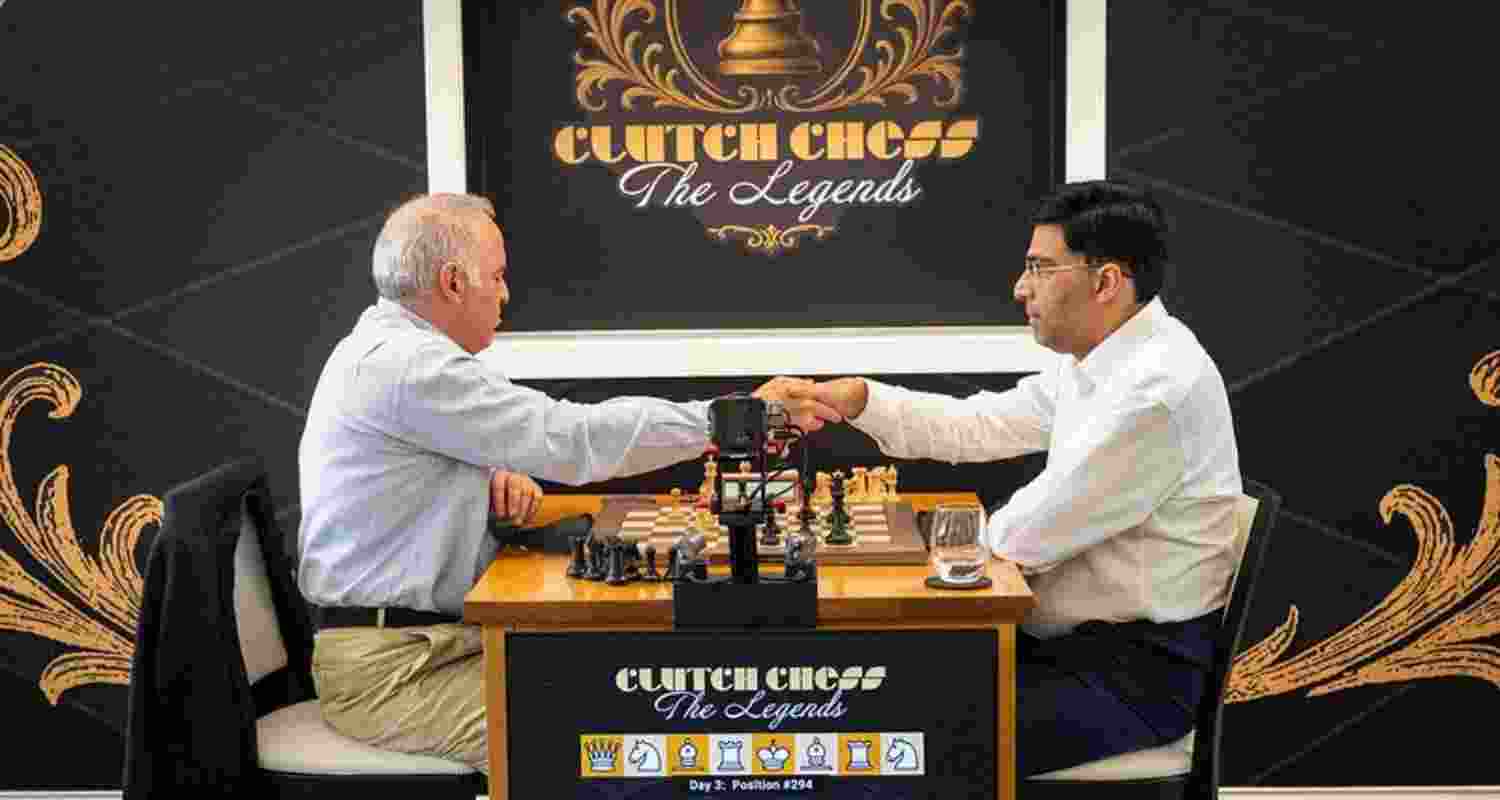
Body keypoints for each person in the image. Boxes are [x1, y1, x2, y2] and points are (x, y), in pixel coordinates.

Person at [296, 193, 839, 774]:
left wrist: (485, 477)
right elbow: (574, 439)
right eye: (497, 277)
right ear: (453, 282)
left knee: (635, 689)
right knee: (606, 733)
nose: (506, 294)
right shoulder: (409, 366)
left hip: (434, 643)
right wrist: (734, 418)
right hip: (397, 672)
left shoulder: (388, 352)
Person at [762, 180, 1242, 776]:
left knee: (893, 734)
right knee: (876, 704)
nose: (1020, 288)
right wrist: (862, 400)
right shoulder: (1104, 362)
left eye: (1040, 268)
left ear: (1105, 282)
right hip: (1064, 648)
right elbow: (980, 424)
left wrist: (907, 550)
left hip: (1132, 676)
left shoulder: (1155, 392)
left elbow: (1023, 537)